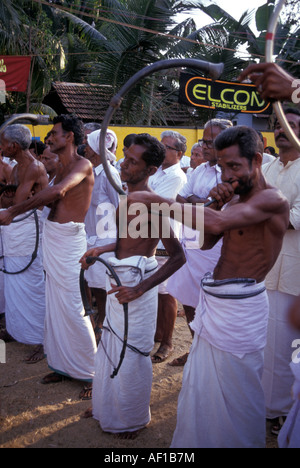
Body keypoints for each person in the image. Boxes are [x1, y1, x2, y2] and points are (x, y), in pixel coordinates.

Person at [128, 125, 290, 448]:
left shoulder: (272, 199)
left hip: (240, 311)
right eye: (223, 166)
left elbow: (214, 226)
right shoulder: (235, 199)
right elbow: (205, 242)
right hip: (216, 304)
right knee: (202, 392)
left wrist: (156, 201)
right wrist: (215, 204)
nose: (227, 175)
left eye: (234, 167)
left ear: (257, 160)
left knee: (237, 395)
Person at [80, 133, 185, 439]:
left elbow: (177, 256)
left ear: (151, 170)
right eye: (125, 158)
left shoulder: (153, 203)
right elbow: (130, 240)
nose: (123, 165)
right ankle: (106, 405)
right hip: (119, 282)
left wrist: (140, 289)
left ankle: (132, 418)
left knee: (133, 354)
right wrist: (101, 249)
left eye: (132, 162)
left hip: (137, 287)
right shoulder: (130, 198)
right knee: (112, 347)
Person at [0, 114, 97, 398]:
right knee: (54, 305)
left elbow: (57, 192)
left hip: (69, 242)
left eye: (54, 133)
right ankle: (62, 364)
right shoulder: (60, 166)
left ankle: (91, 371)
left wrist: (12, 212)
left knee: (72, 305)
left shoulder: (82, 165)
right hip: (53, 239)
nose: (49, 137)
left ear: (69, 137)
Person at [167, 118, 232, 366]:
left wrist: (200, 203)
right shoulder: (197, 170)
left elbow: (220, 212)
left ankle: (212, 358)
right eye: (203, 141)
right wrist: (205, 202)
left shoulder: (229, 172)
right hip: (191, 244)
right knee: (190, 301)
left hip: (215, 250)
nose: (204, 147)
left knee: (214, 306)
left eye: (210, 142)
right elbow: (181, 199)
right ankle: (196, 350)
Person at [260, 108, 300, 434]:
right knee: (265, 344)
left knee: (289, 345)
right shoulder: (270, 167)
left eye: (291, 126)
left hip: (293, 275)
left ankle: (288, 412)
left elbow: (291, 219)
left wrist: (257, 211)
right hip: (264, 268)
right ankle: (267, 408)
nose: (282, 130)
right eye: (279, 125)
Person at [0, 124, 48, 363]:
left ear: (13, 146)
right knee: (14, 284)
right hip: (17, 231)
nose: (0, 148)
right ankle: (16, 329)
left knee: (32, 284)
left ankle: (42, 340)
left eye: (2, 144)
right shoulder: (17, 167)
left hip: (29, 231)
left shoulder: (34, 167)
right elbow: (8, 198)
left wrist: (11, 199)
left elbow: (17, 204)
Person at [149, 130, 187, 363]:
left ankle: (168, 342)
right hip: (151, 236)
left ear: (179, 153)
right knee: (156, 291)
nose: (162, 150)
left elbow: (152, 202)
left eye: (167, 148)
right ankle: (158, 333)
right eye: (161, 146)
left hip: (167, 240)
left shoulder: (177, 177)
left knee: (167, 294)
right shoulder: (158, 171)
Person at [84, 129, 121, 342]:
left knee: (104, 289)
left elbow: (120, 208)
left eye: (88, 144)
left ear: (97, 149)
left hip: (106, 240)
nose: (85, 148)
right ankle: (100, 322)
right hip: (91, 237)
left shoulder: (109, 174)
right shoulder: (92, 172)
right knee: (94, 286)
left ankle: (105, 325)